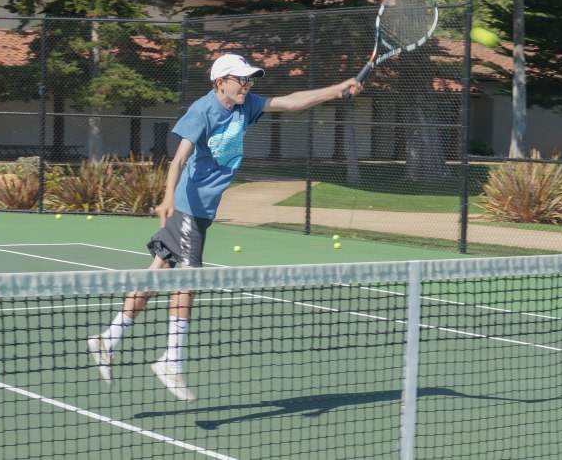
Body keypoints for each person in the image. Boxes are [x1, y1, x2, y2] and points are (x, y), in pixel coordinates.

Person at [87, 53, 362, 402]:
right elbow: (179, 158)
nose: (247, 85)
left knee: (157, 274)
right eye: (240, 80)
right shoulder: (202, 110)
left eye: (249, 80)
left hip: (202, 210)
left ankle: (108, 339)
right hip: (188, 206)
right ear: (221, 83)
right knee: (189, 279)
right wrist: (168, 197)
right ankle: (171, 360)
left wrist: (338, 90)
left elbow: (291, 102)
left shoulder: (247, 106)